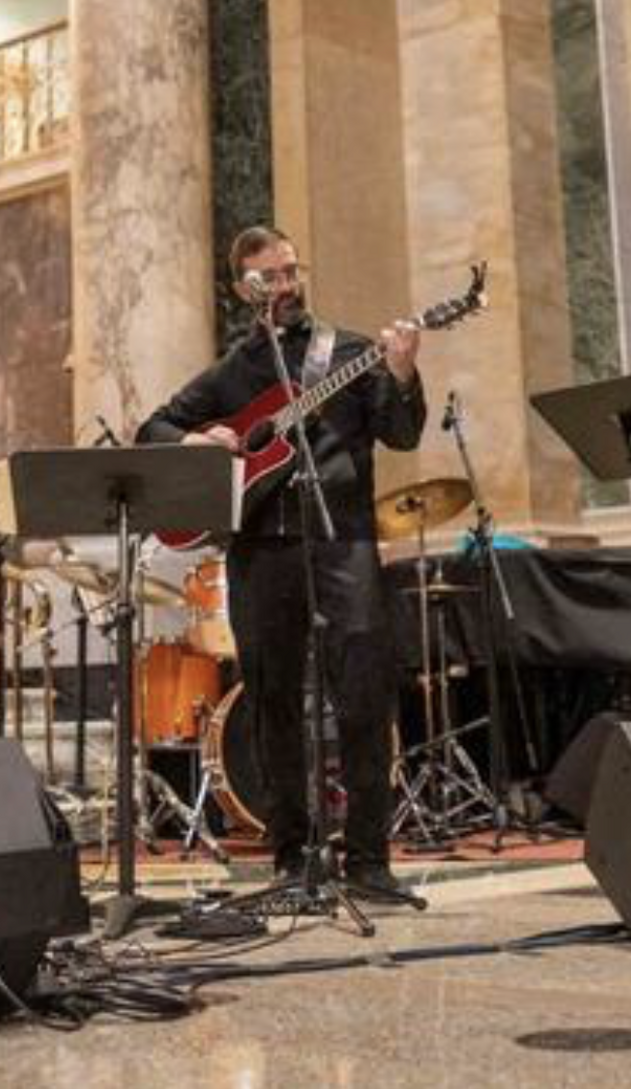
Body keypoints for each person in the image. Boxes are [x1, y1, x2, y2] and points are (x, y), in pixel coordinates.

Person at [137, 225, 424, 898]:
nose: (286, 285)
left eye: (292, 271)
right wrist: (200, 439)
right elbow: (154, 427)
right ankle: (293, 856)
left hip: (344, 540)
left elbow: (403, 433)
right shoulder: (232, 372)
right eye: (270, 277)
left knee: (363, 696)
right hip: (262, 548)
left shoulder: (351, 351)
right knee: (273, 701)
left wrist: (403, 372)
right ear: (244, 288)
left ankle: (370, 861)